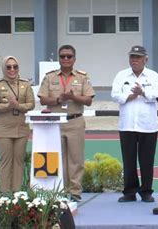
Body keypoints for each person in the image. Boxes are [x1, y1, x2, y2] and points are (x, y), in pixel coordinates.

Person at [38, 45, 95, 202]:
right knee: (57, 158)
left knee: (76, 159)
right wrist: (58, 99)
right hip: (55, 122)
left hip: (75, 120)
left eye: (69, 56)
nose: (66, 59)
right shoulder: (50, 77)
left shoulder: (82, 77)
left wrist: (73, 97)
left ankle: (75, 192)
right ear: (59, 58)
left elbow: (89, 100)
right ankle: (59, 191)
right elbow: (42, 99)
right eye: (62, 56)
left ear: (74, 59)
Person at [111, 46, 158, 203]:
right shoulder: (121, 75)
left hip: (148, 125)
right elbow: (114, 95)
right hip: (127, 124)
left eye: (138, 57)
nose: (134, 60)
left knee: (147, 160)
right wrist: (130, 96)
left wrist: (143, 93)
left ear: (145, 59)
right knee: (129, 160)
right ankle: (130, 191)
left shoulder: (153, 76)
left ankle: (146, 191)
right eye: (132, 56)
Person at [0, 56, 35, 193]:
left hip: (21, 127)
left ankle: (17, 193)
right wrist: (8, 106)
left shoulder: (25, 84)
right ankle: (5, 194)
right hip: (4, 128)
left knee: (19, 161)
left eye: (15, 66)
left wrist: (18, 106)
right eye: (8, 67)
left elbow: (31, 104)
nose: (12, 69)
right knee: (5, 161)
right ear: (4, 68)